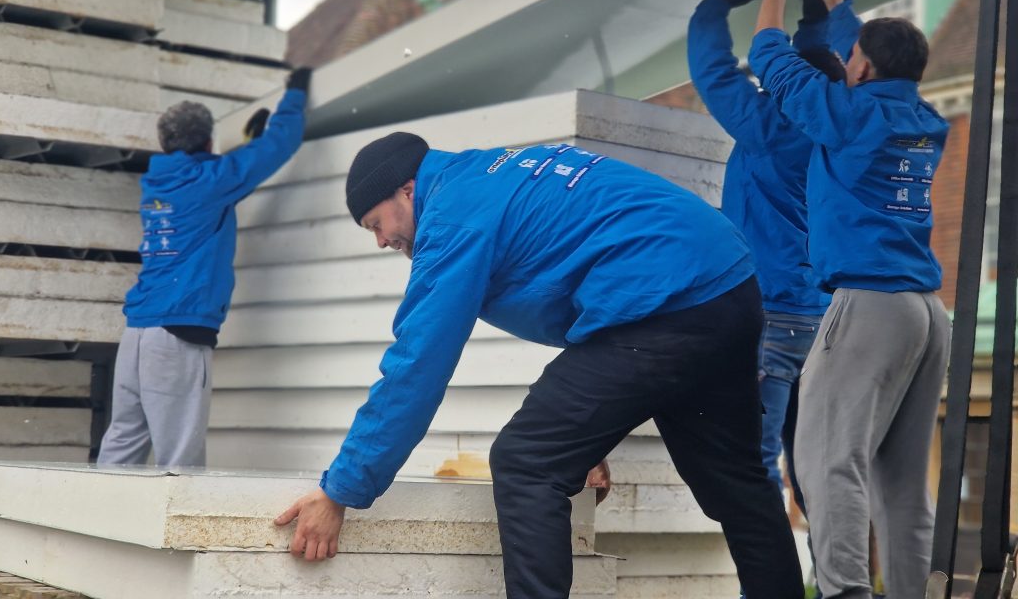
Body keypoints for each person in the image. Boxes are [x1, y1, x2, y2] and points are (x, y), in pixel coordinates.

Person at [275, 132, 804, 598]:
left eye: (377, 223)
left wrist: (341, 490)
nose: (382, 240)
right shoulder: (493, 174)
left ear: (407, 191)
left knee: (526, 462)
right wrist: (588, 437)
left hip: (662, 303)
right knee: (738, 483)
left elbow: (416, 366)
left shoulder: (453, 216)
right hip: (727, 288)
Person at [749, 0, 951, 599]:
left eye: (851, 55)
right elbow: (874, 58)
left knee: (826, 459)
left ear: (858, 70)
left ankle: (845, 594)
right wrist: (838, 6)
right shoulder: (922, 116)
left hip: (867, 307)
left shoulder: (843, 112)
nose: (846, 60)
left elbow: (770, 62)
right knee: (898, 478)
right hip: (926, 312)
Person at [688, 0, 859, 503]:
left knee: (755, 464)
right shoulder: (852, 130)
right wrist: (823, 13)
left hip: (767, 316)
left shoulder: (768, 126)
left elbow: (714, 73)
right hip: (827, 320)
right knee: (818, 465)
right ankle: (836, 583)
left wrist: (716, 5)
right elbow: (825, 68)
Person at [97, 70, 309, 467]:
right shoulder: (213, 181)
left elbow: (215, 184)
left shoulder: (159, 185)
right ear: (210, 141)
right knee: (180, 463)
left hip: (137, 333)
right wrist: (296, 92)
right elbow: (280, 144)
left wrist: (243, 149)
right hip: (177, 335)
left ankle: (90, 520)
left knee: (121, 449)